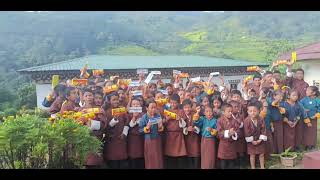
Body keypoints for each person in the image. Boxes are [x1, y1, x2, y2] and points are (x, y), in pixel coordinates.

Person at [77, 88, 107, 169]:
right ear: (83, 98)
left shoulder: (99, 109)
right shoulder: (80, 110)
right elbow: (77, 124)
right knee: (85, 162)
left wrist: (90, 123)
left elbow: (103, 125)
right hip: (84, 139)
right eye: (86, 96)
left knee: (95, 162)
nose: (88, 97)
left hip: (96, 139)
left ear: (93, 96)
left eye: (90, 95)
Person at [104, 92, 129, 169]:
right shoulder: (107, 112)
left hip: (121, 139)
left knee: (122, 162)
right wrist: (114, 119)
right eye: (114, 100)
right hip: (112, 140)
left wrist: (124, 133)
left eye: (117, 99)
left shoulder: (122, 110)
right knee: (113, 162)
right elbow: (106, 127)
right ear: (109, 101)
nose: (116, 101)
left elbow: (127, 122)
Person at [163, 94, 187, 169]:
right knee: (169, 156)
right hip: (169, 136)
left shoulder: (181, 111)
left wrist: (179, 119)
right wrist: (166, 119)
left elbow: (184, 124)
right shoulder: (167, 111)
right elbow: (162, 123)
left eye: (175, 103)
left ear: (179, 103)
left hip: (178, 136)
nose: (173, 104)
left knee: (179, 156)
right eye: (171, 103)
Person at [139, 100, 164, 169]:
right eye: (152, 107)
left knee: (158, 158)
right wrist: (147, 128)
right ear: (147, 108)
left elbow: (160, 129)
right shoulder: (144, 117)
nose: (154, 109)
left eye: (155, 107)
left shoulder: (158, 115)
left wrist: (160, 126)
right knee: (150, 159)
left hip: (157, 140)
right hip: (149, 141)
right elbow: (140, 130)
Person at [244, 102, 267, 169]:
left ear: (258, 111)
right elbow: (246, 132)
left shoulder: (261, 119)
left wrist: (260, 139)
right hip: (251, 141)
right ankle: (253, 167)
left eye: (254, 111)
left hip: (260, 139)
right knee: (252, 155)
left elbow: (263, 129)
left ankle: (262, 167)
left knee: (262, 154)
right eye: (250, 111)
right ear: (248, 112)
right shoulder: (246, 121)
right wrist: (252, 141)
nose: (253, 113)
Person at [217, 104, 239, 169]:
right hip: (223, 145)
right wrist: (228, 132)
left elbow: (238, 130)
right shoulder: (220, 120)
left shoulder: (234, 120)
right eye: (228, 111)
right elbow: (219, 133)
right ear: (223, 112)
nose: (230, 113)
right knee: (223, 162)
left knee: (231, 162)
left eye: (231, 111)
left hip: (232, 144)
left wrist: (234, 133)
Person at [181, 99, 201, 169]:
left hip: (195, 138)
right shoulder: (181, 116)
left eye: (189, 107)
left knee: (196, 154)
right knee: (188, 156)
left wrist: (194, 129)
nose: (187, 109)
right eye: (185, 107)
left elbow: (199, 125)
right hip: (187, 139)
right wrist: (186, 129)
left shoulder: (195, 114)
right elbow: (180, 128)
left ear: (191, 107)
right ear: (183, 108)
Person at [300, 86, 320, 150]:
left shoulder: (317, 100)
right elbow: (300, 105)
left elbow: (319, 109)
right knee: (305, 131)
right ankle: (306, 144)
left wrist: (316, 115)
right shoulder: (304, 99)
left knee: (312, 132)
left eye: (308, 91)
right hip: (305, 118)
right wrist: (304, 109)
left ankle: (312, 144)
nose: (306, 92)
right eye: (306, 90)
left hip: (313, 119)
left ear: (313, 93)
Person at [127, 98, 145, 169]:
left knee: (141, 158)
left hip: (141, 139)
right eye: (133, 104)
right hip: (132, 139)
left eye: (137, 104)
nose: (135, 106)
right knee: (132, 158)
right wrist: (134, 117)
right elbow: (128, 126)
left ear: (140, 105)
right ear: (131, 106)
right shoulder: (129, 114)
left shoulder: (143, 114)